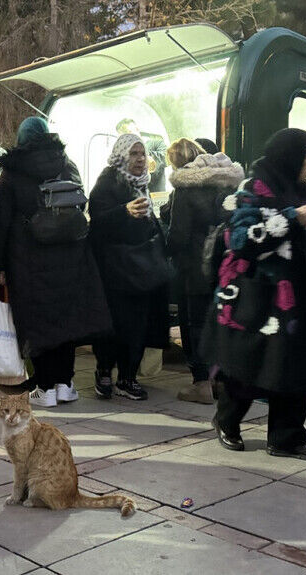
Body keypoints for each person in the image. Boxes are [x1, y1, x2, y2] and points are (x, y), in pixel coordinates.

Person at [203, 129, 306, 461]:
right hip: (256, 298)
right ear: (289, 157)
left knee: (293, 368)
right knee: (248, 367)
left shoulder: (300, 188)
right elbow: (240, 240)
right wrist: (291, 218)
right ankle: (226, 421)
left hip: (296, 300)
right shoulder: (252, 188)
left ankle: (286, 439)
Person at [0, 117, 112, 408]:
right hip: (71, 255)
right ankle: (65, 384)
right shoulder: (65, 164)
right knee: (65, 319)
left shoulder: (12, 172)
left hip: (28, 258)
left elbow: (1, 222)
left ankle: (45, 387)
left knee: (37, 320)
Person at [89, 133, 172, 401]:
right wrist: (124, 211)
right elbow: (98, 221)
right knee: (112, 324)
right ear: (121, 156)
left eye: (142, 154)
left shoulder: (143, 184)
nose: (140, 160)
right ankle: (104, 371)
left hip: (140, 269)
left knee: (137, 325)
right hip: (115, 270)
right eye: (134, 154)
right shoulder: (107, 182)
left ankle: (127, 377)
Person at [165, 138, 244, 404]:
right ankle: (220, 380)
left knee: (195, 325)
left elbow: (178, 236)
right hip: (225, 265)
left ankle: (201, 383)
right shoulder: (226, 181)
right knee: (220, 323)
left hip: (195, 268)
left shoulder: (185, 188)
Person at [117, 118, 168, 193]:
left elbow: (166, 158)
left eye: (129, 133)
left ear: (137, 130)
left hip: (156, 197)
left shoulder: (156, 144)